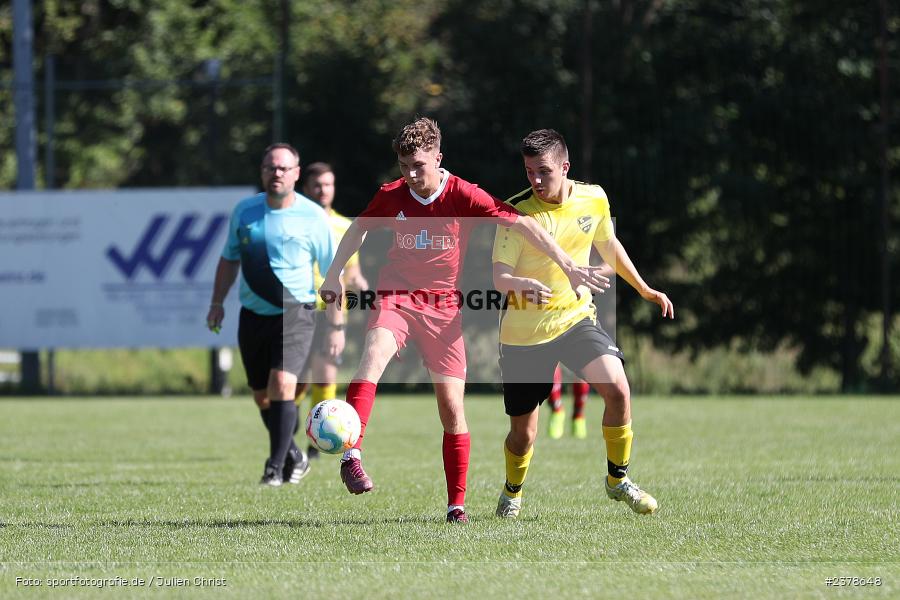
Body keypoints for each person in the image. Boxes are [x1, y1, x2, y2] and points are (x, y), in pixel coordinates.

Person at [319, 117, 609, 523]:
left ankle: (456, 505)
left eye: (419, 165)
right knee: (373, 356)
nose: (411, 175)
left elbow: (523, 223)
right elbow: (358, 230)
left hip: (443, 310)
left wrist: (567, 264)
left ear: (439, 157)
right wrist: (334, 273)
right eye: (404, 167)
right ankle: (352, 455)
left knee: (452, 406)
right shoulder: (392, 195)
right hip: (397, 297)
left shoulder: (463, 194)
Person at [492, 129, 674, 519]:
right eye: (528, 172)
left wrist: (644, 289)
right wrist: (520, 284)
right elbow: (499, 278)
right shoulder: (514, 212)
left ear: (565, 166)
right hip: (524, 336)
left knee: (619, 390)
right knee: (523, 435)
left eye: (543, 171)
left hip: (575, 319)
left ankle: (618, 479)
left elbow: (609, 245)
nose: (535, 181)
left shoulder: (594, 198)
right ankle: (512, 492)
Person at [206, 143, 344, 487]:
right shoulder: (245, 211)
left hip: (297, 312)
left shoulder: (313, 217)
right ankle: (294, 455)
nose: (276, 173)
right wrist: (217, 302)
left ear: (297, 174)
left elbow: (332, 275)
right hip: (253, 314)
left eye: (284, 168)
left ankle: (275, 466)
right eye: (270, 168)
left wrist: (337, 324)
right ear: (262, 172)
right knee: (261, 395)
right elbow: (229, 258)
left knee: (283, 384)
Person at [298, 162, 369, 460]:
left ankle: (314, 448)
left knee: (325, 377)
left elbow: (353, 273)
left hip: (331, 312)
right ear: (306, 189)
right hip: (298, 309)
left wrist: (367, 293)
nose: (323, 190)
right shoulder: (295, 223)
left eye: (327, 184)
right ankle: (287, 440)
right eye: (317, 185)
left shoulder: (344, 226)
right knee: (295, 382)